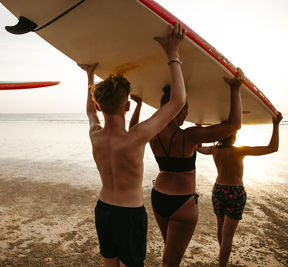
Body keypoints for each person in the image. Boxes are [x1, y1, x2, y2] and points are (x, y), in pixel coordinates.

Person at [79, 22, 186, 267]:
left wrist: (89, 78)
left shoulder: (95, 134)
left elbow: (89, 111)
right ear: (127, 106)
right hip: (129, 214)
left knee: (109, 263)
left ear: (99, 106)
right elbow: (178, 101)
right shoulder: (135, 137)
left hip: (103, 208)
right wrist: (173, 54)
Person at [130, 66, 244, 265]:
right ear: (177, 109)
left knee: (170, 250)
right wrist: (235, 89)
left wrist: (138, 105)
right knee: (170, 262)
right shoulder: (189, 136)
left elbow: (131, 130)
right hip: (183, 203)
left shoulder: (152, 133)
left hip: (158, 197)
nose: (188, 113)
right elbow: (234, 125)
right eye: (185, 109)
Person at [196, 113, 282, 267]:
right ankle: (222, 264)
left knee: (221, 229)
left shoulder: (214, 150)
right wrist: (276, 125)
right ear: (233, 136)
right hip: (235, 192)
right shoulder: (240, 151)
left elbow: (198, 147)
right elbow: (272, 148)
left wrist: (200, 129)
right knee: (228, 235)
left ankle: (222, 258)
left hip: (219, 191)